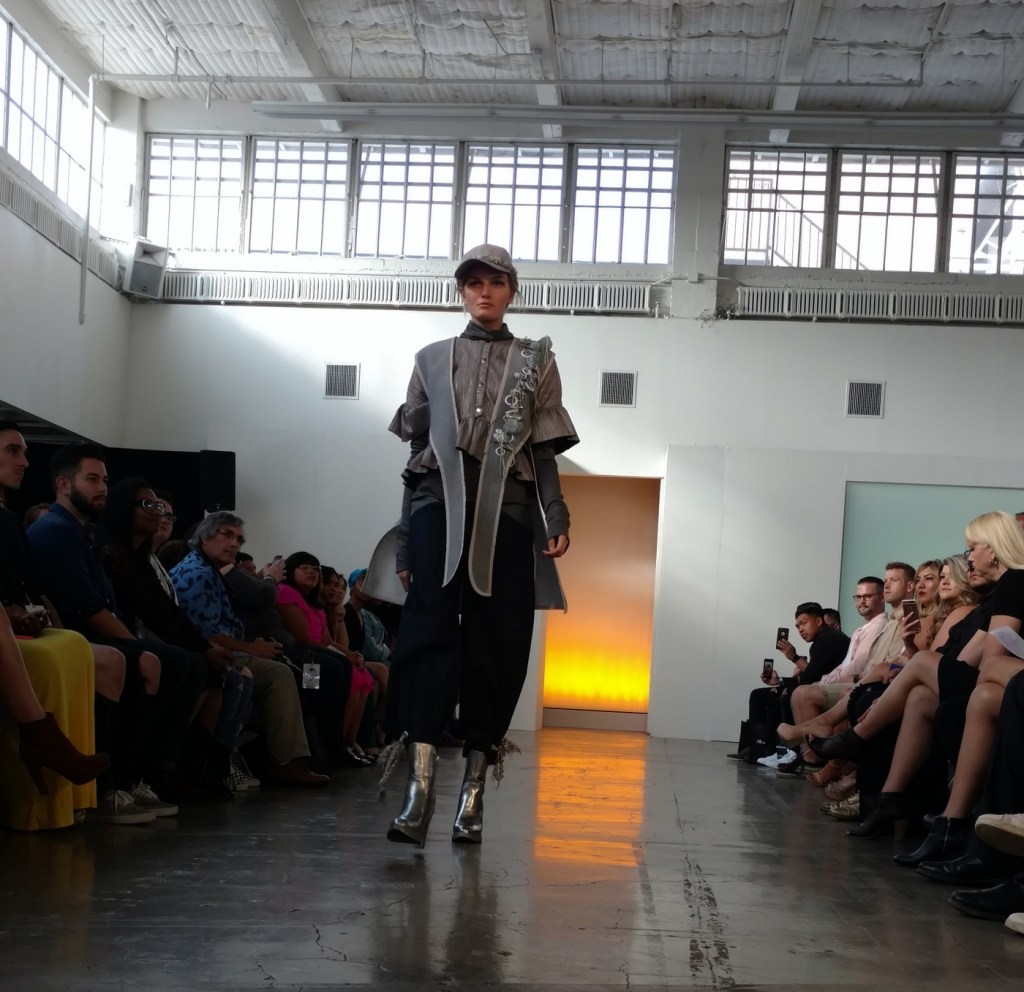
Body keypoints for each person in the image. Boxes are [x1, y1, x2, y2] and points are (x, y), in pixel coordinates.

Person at [382, 244, 578, 846]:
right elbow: (415, 458)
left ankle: (473, 791)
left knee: (499, 640)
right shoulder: (431, 358)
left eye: (495, 282)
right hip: (437, 505)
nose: (484, 292)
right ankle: (419, 792)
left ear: (512, 290)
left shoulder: (536, 360)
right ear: (462, 291)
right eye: (473, 283)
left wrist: (556, 513)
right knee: (425, 634)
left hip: (509, 511)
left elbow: (543, 450)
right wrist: (406, 545)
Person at [170, 512, 329, 787]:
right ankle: (300, 756)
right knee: (308, 671)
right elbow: (289, 623)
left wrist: (345, 653)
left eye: (316, 568)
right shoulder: (282, 591)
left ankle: (323, 747)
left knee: (328, 672)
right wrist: (269, 580)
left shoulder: (316, 603)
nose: (234, 544)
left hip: (281, 647)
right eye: (305, 567)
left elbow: (327, 638)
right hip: (287, 648)